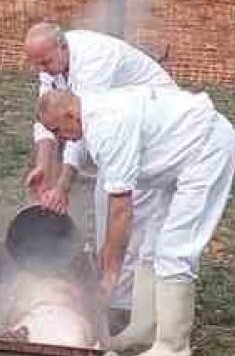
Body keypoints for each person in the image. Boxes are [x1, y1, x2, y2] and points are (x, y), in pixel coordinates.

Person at [36, 85, 235, 356]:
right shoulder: (87, 116)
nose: (59, 139)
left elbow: (120, 210)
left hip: (205, 149)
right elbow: (117, 206)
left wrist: (109, 274)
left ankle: (173, 345)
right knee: (150, 245)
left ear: (71, 115)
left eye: (57, 130)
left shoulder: (108, 126)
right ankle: (144, 327)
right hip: (174, 156)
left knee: (174, 247)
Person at [22, 23, 175, 339]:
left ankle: (126, 307)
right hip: (117, 127)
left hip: (153, 126)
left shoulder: (95, 62)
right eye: (37, 64)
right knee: (106, 204)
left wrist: (63, 184)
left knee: (132, 212)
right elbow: (49, 119)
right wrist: (42, 165)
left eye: (45, 62)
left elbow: (79, 129)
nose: (42, 70)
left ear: (63, 47)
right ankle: (114, 290)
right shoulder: (52, 63)